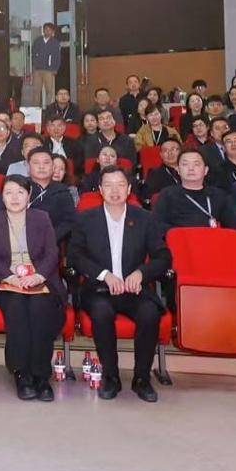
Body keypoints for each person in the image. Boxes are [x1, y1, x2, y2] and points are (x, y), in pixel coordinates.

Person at [68, 166, 171, 402]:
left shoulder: (145, 218)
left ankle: (142, 378)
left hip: (134, 289)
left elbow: (163, 256)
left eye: (120, 185)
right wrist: (104, 274)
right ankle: (111, 376)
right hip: (99, 289)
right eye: (108, 185)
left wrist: (141, 273)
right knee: (102, 313)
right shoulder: (85, 219)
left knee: (149, 314)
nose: (115, 191)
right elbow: (75, 256)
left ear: (129, 189)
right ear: (100, 189)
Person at [0, 174, 65, 401]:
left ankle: (41, 375)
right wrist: (10, 277)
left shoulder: (41, 218)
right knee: (17, 307)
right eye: (9, 192)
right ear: (2, 197)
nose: (14, 197)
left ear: (29, 196)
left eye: (20, 192)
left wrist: (38, 276)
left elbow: (52, 252)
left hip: (40, 280)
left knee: (40, 308)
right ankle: (22, 373)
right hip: (7, 282)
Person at [151, 149, 236, 231]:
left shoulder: (219, 195)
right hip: (181, 242)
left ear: (206, 170)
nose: (191, 168)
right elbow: (157, 226)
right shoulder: (167, 195)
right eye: (185, 164)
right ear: (178, 169)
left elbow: (234, 226)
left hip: (213, 242)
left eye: (196, 164)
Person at [141, 137, 183, 206]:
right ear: (161, 155)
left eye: (173, 149)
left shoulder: (190, 170)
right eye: (165, 150)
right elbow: (149, 197)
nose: (170, 153)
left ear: (181, 152)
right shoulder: (154, 173)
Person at [29, 22, 61, 105]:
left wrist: (55, 68)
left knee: (49, 91)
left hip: (49, 70)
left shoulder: (55, 42)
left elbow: (57, 57)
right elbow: (33, 54)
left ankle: (48, 108)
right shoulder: (37, 41)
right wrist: (34, 65)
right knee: (36, 91)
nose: (47, 31)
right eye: (46, 29)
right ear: (43, 30)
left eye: (49, 30)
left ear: (52, 31)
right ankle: (35, 108)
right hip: (38, 70)